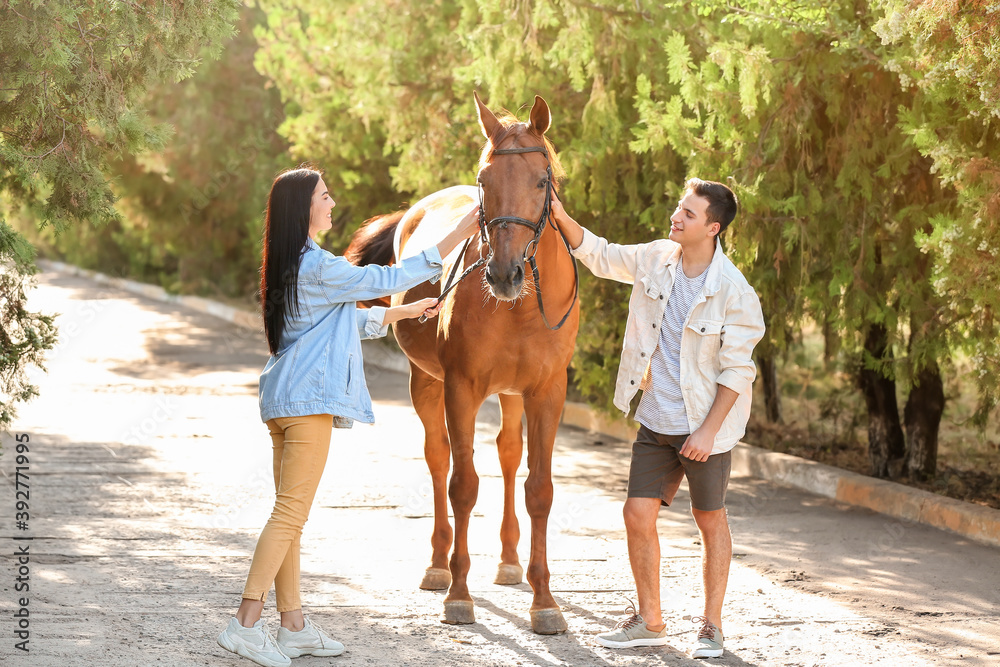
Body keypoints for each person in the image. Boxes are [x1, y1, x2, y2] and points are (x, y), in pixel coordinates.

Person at [217, 167, 479, 667]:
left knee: (289, 516)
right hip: (307, 405)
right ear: (304, 209)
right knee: (290, 514)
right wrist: (461, 232)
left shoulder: (295, 264)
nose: (332, 202)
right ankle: (245, 623)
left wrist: (405, 313)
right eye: (324, 195)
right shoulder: (319, 265)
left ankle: (292, 625)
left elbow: (344, 319)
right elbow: (390, 276)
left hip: (284, 402)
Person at [550, 178, 765, 659]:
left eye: (688, 213)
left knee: (709, 519)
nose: (677, 216)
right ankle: (650, 620)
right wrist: (560, 216)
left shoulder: (733, 291)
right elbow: (601, 255)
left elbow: (738, 369)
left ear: (712, 227)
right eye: (678, 208)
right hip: (656, 419)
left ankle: (711, 626)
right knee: (636, 513)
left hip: (703, 427)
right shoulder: (655, 258)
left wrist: (708, 432)